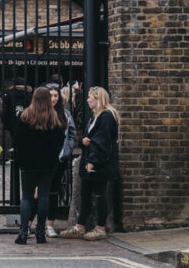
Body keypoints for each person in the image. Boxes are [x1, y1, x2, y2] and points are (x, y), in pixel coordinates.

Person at [60, 87, 120, 241]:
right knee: (85, 194)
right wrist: (83, 141)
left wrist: (93, 161)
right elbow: (89, 137)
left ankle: (100, 228)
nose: (87, 100)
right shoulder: (95, 116)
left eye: (89, 98)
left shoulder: (106, 116)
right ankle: (80, 227)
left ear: (97, 99)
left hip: (99, 163)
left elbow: (102, 142)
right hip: (89, 161)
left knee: (100, 195)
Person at [12, 86, 66, 245]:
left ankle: (23, 233)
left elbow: (17, 141)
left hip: (28, 163)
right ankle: (40, 233)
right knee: (44, 197)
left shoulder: (24, 117)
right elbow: (59, 142)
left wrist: (21, 159)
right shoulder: (54, 118)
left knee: (27, 198)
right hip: (47, 164)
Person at [43, 82, 76, 237]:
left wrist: (67, 151)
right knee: (39, 192)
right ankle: (31, 224)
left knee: (53, 192)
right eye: (50, 96)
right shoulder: (40, 113)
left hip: (59, 159)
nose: (53, 99)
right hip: (43, 159)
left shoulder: (66, 114)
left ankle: (50, 224)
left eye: (56, 96)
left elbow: (71, 134)